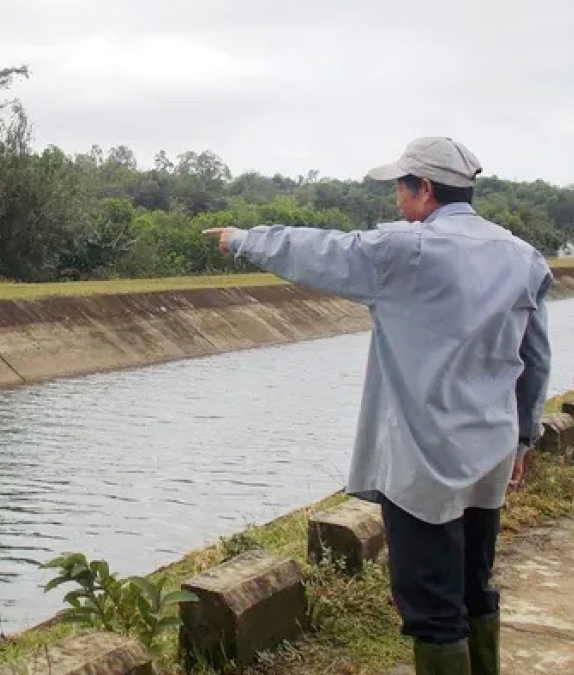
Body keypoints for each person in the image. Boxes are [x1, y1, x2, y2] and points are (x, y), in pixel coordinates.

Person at [204, 137, 553, 675]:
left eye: (400, 187)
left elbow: (320, 251)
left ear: (425, 189)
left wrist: (243, 240)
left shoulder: (405, 253)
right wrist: (526, 438)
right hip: (490, 456)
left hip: (424, 465)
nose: (396, 200)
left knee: (432, 609)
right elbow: (534, 356)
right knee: (475, 588)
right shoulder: (521, 257)